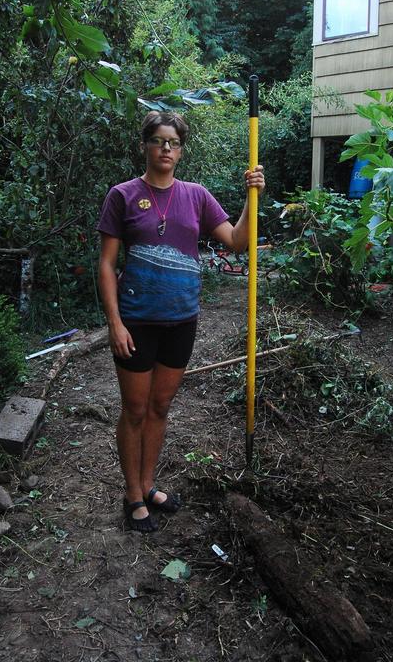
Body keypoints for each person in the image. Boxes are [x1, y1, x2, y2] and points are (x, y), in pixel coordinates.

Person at [97, 111, 265, 532]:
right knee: (135, 410)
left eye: (173, 142)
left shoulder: (196, 196)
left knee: (160, 407)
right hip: (136, 321)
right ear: (145, 146)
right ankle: (132, 494)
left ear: (181, 150)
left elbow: (237, 241)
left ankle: (148, 485)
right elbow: (106, 264)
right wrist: (115, 323)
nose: (166, 148)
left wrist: (252, 196)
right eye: (158, 140)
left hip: (181, 320)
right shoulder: (122, 195)